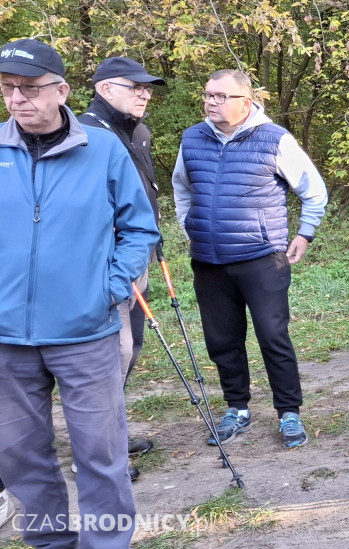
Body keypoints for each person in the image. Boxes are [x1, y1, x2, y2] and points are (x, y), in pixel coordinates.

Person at [0, 38, 160, 547]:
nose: (18, 99)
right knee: (21, 455)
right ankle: (50, 542)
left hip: (86, 333)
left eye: (30, 88)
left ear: (62, 90)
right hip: (7, 341)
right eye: (7, 89)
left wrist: (110, 288)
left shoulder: (104, 149)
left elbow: (140, 228)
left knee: (100, 454)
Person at [171, 69, 328, 449]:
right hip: (209, 260)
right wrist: (190, 228)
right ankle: (236, 409)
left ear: (246, 101)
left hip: (262, 258)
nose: (211, 102)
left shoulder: (274, 139)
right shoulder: (193, 138)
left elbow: (314, 191)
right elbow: (182, 188)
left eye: (221, 96)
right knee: (222, 339)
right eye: (208, 95)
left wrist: (304, 233)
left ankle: (289, 413)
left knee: (273, 336)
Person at [80, 55, 166, 482]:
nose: (144, 93)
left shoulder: (138, 132)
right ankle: (100, 452)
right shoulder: (85, 135)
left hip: (139, 258)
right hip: (106, 266)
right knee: (111, 354)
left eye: (147, 87)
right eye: (135, 86)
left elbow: (142, 193)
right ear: (104, 89)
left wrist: (154, 237)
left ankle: (110, 433)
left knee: (130, 350)